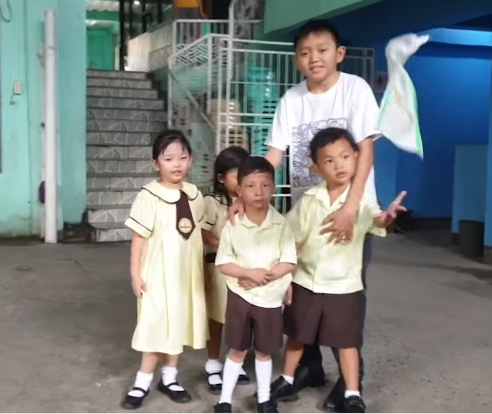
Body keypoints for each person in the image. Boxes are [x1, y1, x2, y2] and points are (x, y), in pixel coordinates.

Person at [227, 19, 381, 410]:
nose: (315, 58)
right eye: (306, 52)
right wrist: (247, 191)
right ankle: (308, 368)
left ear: (339, 54)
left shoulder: (355, 89)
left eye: (323, 50)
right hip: (306, 213)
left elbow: (365, 151)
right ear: (296, 60)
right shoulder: (291, 99)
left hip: (349, 212)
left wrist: (351, 207)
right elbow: (274, 154)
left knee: (345, 298)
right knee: (302, 296)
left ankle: (350, 381)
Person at [270, 127, 406, 413]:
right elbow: (290, 237)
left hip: (343, 286)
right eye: (329, 160)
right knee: (297, 335)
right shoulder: (310, 200)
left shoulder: (361, 200)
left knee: (346, 342)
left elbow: (374, 220)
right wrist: (285, 275)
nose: (339, 164)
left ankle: (353, 393)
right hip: (306, 281)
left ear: (357, 157)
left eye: (345, 156)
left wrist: (387, 218)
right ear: (316, 168)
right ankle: (287, 379)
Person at [121, 130, 208, 410]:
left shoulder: (195, 195)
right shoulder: (149, 196)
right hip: (157, 276)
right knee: (155, 326)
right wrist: (135, 275)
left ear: (191, 160)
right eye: (168, 158)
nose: (176, 164)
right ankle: (142, 382)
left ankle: (169, 378)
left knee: (179, 325)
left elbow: (203, 232)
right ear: (156, 164)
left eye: (182, 157)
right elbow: (139, 239)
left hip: (186, 276)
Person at [213, 156, 297, 414]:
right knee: (236, 349)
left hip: (270, 299)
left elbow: (289, 261)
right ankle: (224, 401)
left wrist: (263, 277)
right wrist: (248, 273)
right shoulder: (233, 223)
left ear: (273, 187)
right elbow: (223, 262)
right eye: (250, 186)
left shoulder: (281, 224)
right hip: (240, 296)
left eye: (265, 185)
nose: (258, 192)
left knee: (264, 352)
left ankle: (264, 399)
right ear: (239, 190)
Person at [201, 146, 251, 394]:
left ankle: (235, 362)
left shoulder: (252, 201)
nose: (241, 181)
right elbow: (202, 233)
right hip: (219, 268)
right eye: (235, 175)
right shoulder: (212, 202)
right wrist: (224, 246)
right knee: (217, 318)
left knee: (239, 318)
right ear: (221, 178)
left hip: (245, 269)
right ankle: (212, 364)